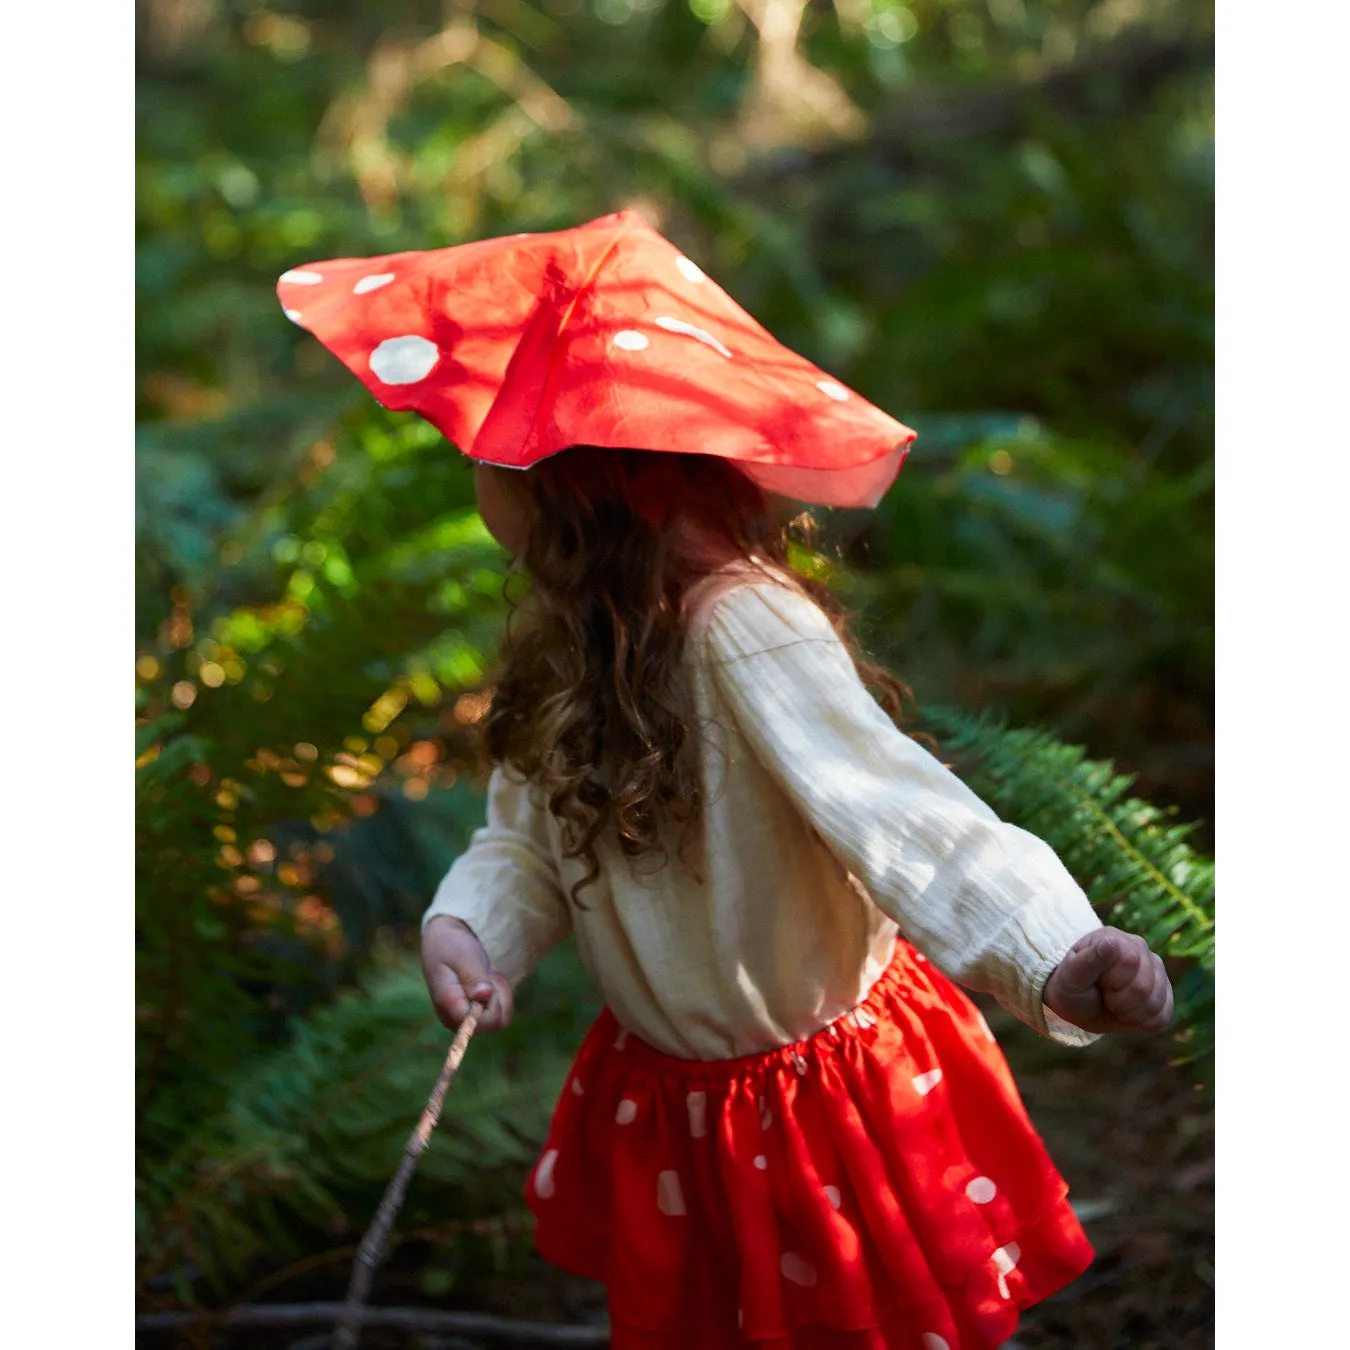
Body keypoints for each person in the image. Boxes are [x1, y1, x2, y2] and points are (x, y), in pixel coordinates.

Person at [279, 211, 1174, 1350]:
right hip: (677, 1103)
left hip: (814, 1105)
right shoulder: (574, 647)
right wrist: (475, 928)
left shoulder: (742, 630)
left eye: (495, 450)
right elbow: (526, 839)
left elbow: (905, 816)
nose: (475, 472)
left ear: (579, 486)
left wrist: (1057, 948)